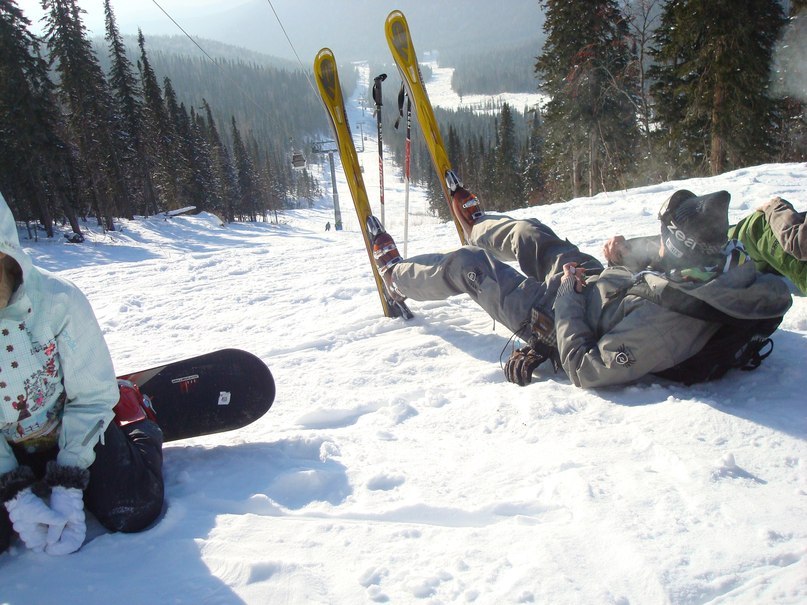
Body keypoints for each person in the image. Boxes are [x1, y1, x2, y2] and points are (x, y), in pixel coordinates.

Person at [368, 182, 792, 389]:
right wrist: (624, 256)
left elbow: (586, 367)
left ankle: (395, 277)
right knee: (531, 234)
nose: (659, 240)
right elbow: (666, 273)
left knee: (470, 266)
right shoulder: (721, 263)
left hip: (557, 315)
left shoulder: (665, 329)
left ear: (679, 245)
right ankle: (477, 225)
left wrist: (568, 297)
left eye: (664, 236)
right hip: (597, 284)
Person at [0, 194, 164, 556]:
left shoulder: (57, 299)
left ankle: (138, 421)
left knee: (133, 508)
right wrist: (13, 492)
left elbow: (90, 395)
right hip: (7, 445)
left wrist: (69, 479)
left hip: (72, 427)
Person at [604, 196, 806, 295]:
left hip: (770, 237)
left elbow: (799, 242)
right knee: (704, 243)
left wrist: (776, 208)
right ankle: (632, 255)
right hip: (763, 237)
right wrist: (630, 251)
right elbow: (695, 240)